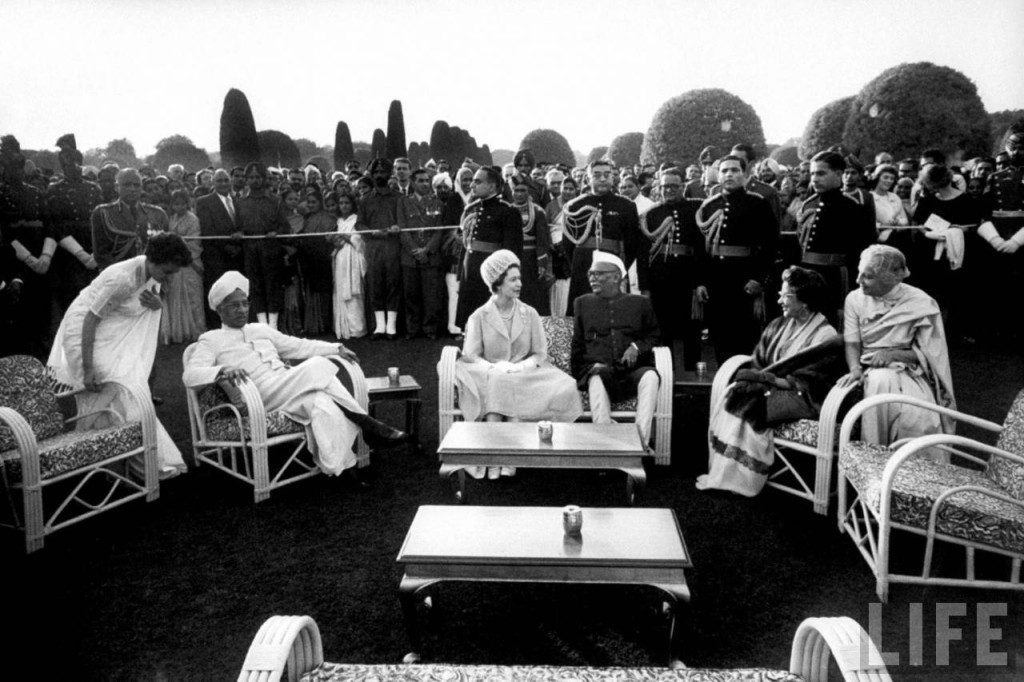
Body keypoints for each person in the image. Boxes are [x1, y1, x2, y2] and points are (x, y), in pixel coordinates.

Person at [182, 271, 411, 487]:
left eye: (245, 303)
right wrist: (221, 370)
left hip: (288, 387)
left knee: (321, 403)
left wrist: (336, 348)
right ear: (219, 310)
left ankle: (342, 468)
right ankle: (368, 424)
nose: (242, 310)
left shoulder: (260, 329)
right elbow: (190, 375)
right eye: (234, 306)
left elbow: (299, 346)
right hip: (259, 397)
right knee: (317, 365)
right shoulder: (211, 340)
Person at [47, 232, 192, 478]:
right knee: (105, 381)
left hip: (112, 325)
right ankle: (111, 460)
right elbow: (90, 320)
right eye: (167, 272)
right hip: (82, 328)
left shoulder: (152, 271)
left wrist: (158, 304)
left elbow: (145, 304)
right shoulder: (122, 279)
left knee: (126, 387)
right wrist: (88, 368)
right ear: (153, 260)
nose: (169, 278)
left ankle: (125, 461)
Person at [697, 267, 843, 496]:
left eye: (786, 296)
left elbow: (813, 382)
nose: (779, 301)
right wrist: (758, 379)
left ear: (805, 302)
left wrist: (767, 380)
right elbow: (760, 361)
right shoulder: (778, 324)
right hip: (773, 388)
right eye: (780, 294)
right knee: (736, 395)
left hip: (806, 398)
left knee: (750, 406)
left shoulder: (825, 335)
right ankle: (725, 475)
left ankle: (743, 480)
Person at [455, 250, 582, 479]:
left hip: (525, 374)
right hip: (490, 374)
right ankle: (499, 458)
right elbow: (471, 356)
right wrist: (493, 367)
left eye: (519, 278)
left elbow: (540, 354)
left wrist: (519, 367)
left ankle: (504, 458)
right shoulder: (479, 316)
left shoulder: (529, 313)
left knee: (563, 385)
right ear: (497, 283)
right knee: (498, 381)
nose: (519, 284)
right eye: (513, 279)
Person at [837, 245, 955, 451]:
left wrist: (894, 355)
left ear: (891, 278)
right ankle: (874, 457)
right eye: (859, 273)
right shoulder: (854, 299)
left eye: (868, 277)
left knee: (919, 418)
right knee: (880, 381)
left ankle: (911, 467)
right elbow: (852, 342)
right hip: (868, 369)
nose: (858, 281)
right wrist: (855, 368)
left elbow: (932, 355)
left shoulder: (922, 302)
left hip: (910, 372)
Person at [571, 251, 660, 449]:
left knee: (651, 376)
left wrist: (636, 347)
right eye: (590, 274)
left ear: (616, 277)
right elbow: (577, 344)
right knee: (596, 375)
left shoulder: (641, 303)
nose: (592, 278)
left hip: (632, 372)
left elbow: (654, 336)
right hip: (600, 371)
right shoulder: (582, 303)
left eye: (599, 274)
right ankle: (605, 447)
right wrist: (580, 373)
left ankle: (640, 444)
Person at [696, 155, 778, 362]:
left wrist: (759, 278)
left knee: (745, 338)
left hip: (745, 280)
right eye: (724, 171)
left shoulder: (757, 203)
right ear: (718, 175)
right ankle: (723, 377)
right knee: (719, 336)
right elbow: (702, 248)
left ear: (745, 174)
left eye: (734, 170)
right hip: (716, 280)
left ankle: (744, 379)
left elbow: (770, 245)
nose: (729, 174)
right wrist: (701, 281)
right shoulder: (710, 205)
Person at [794, 151, 876, 321]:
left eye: (821, 173)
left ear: (838, 174)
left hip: (835, 277)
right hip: (806, 274)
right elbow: (799, 243)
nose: (814, 179)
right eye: (812, 174)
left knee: (832, 322)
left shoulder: (852, 208)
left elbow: (862, 251)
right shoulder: (808, 204)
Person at [641, 169, 708, 370]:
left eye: (673, 186)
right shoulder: (651, 214)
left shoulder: (696, 209)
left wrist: (701, 281)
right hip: (660, 279)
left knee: (692, 330)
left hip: (688, 278)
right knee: (663, 331)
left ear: (683, 186)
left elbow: (702, 249)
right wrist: (645, 286)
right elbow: (643, 254)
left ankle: (693, 375)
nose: (668, 190)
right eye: (665, 186)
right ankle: (665, 374)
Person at [0, 140, 56, 358]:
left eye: (17, 167)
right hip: (14, 263)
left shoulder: (36, 193)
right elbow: (4, 233)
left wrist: (45, 256)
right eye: (8, 167)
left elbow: (49, 225)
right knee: (16, 324)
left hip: (42, 262)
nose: (13, 172)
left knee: (41, 320)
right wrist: (29, 259)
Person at [562, 160, 641, 308]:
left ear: (613, 177)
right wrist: (579, 265)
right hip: (583, 268)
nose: (603, 179)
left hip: (614, 267)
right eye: (597, 175)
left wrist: (619, 267)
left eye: (607, 174)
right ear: (588, 179)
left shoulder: (626, 205)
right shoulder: (575, 205)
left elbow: (632, 243)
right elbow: (568, 244)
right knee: (584, 310)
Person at [454, 166, 523, 328]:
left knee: (492, 322)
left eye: (477, 182)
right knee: (471, 321)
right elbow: (467, 243)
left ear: (492, 186)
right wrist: (461, 272)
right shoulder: (473, 208)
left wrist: (506, 280)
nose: (472, 185)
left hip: (492, 275)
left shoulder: (508, 211)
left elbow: (512, 252)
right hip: (470, 272)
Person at [46, 135, 103, 311]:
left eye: (76, 164)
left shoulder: (93, 188)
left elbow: (100, 221)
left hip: (92, 246)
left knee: (93, 299)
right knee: (69, 300)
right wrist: (80, 254)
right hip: (68, 251)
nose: (73, 168)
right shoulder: (55, 190)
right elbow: (56, 224)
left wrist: (95, 251)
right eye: (68, 165)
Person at [237, 162, 290, 330]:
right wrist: (239, 233)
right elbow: (238, 226)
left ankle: (273, 326)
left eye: (258, 177)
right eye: (251, 177)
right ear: (246, 179)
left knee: (272, 285)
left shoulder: (275, 200)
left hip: (271, 248)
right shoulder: (240, 202)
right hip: (250, 248)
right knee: (255, 285)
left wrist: (276, 232)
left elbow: (285, 227)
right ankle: (262, 325)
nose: (255, 180)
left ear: (264, 179)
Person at [356, 157, 403, 339]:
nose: (379, 175)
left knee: (392, 283)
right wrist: (371, 232)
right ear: (372, 175)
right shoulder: (365, 199)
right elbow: (359, 224)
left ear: (389, 173)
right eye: (376, 172)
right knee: (375, 284)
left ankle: (391, 326)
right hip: (373, 247)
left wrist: (397, 227)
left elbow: (403, 221)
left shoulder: (398, 198)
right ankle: (380, 326)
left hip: (392, 246)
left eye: (383, 172)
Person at [91, 168, 169, 270]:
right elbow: (101, 253)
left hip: (150, 273)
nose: (132, 189)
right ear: (116, 187)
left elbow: (164, 250)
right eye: (127, 185)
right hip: (117, 273)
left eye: (136, 185)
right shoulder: (104, 213)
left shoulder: (158, 214)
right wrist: (121, 274)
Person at [397, 169, 444, 339]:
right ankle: (412, 329)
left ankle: (430, 329)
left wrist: (427, 250)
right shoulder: (403, 202)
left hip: (430, 256)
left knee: (431, 295)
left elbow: (439, 230)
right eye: (421, 181)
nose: (425, 184)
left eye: (427, 180)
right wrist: (414, 250)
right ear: (413, 182)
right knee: (411, 295)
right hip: (410, 256)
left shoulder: (437, 202)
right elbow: (402, 229)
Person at [195, 169, 243, 329]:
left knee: (235, 292)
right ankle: (217, 327)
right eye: (219, 181)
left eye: (226, 180)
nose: (223, 183)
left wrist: (240, 239)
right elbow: (207, 229)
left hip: (238, 256)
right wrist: (227, 247)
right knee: (218, 293)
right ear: (213, 183)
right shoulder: (203, 201)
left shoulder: (238, 200)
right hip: (216, 256)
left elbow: (242, 224)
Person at [161, 189, 205, 344]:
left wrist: (180, 250)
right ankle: (181, 331)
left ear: (188, 203)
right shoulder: (172, 218)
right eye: (176, 204)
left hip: (190, 263)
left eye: (182, 203)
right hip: (175, 264)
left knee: (193, 298)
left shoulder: (193, 219)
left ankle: (198, 331)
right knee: (177, 297)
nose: (179, 207)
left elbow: (194, 242)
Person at [509, 176, 552, 315]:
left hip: (532, 260)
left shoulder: (538, 211)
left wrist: (542, 263)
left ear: (528, 192)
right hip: (513, 259)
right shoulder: (507, 210)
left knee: (535, 296)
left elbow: (543, 238)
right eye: (516, 190)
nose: (519, 194)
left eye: (523, 190)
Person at [295, 188, 335, 335]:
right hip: (309, 259)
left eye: (314, 202)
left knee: (323, 291)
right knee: (310, 291)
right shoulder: (306, 218)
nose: (311, 205)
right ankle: (313, 325)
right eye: (309, 202)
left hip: (323, 260)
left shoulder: (329, 218)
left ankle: (324, 325)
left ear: (320, 203)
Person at [331, 193, 365, 340]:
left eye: (347, 203)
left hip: (353, 258)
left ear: (352, 204)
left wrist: (346, 237)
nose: (344, 206)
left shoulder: (356, 220)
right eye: (341, 203)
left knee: (354, 293)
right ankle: (344, 328)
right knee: (341, 290)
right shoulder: (337, 221)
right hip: (340, 257)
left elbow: (360, 240)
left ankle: (357, 329)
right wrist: (336, 241)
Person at [545, 175, 577, 317]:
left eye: (571, 189)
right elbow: (545, 227)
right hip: (555, 250)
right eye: (565, 188)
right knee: (557, 284)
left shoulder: (578, 205)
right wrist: (551, 244)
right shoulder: (551, 206)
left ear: (576, 190)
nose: (568, 191)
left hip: (573, 248)